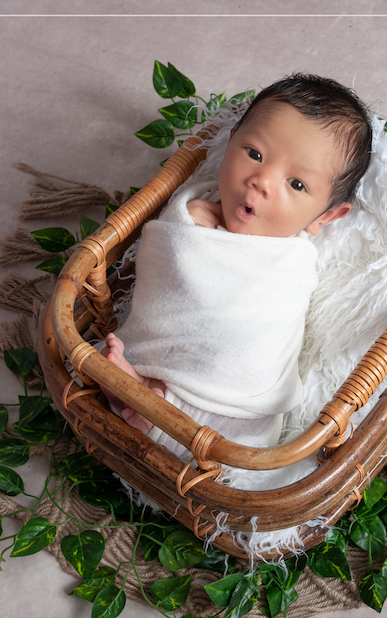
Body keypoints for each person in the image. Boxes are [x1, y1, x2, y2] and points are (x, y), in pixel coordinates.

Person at [103, 73, 372, 458]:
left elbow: (271, 326)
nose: (262, 181)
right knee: (109, 361)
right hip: (167, 360)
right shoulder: (193, 212)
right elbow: (165, 270)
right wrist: (187, 229)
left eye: (297, 185)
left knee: (249, 428)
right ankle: (146, 394)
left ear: (326, 216)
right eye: (255, 154)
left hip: (244, 401)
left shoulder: (294, 260)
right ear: (230, 145)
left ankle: (152, 406)